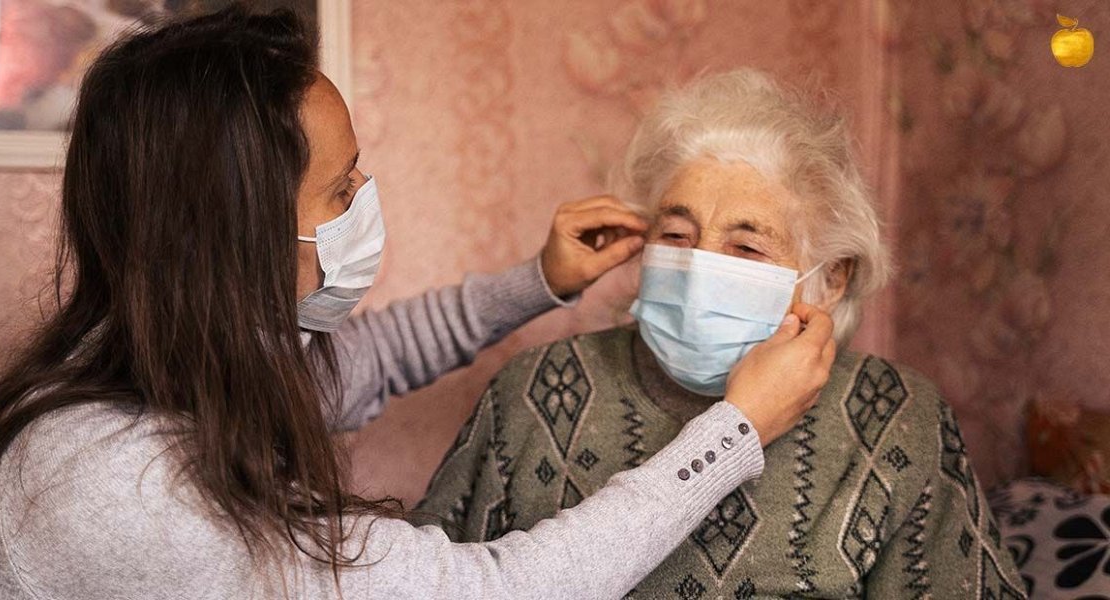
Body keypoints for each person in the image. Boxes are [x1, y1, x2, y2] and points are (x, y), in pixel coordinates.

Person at [0, 9, 836, 600]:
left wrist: (536, 281)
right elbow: (503, 590)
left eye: (746, 245)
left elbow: (371, 359)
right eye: (339, 187)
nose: (366, 197)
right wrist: (734, 433)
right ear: (234, 235)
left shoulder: (196, 361)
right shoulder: (122, 490)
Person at [418, 69, 1029, 599]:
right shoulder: (534, 391)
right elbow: (427, 580)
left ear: (831, 278)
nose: (697, 266)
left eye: (745, 246)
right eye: (677, 237)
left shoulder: (894, 413)